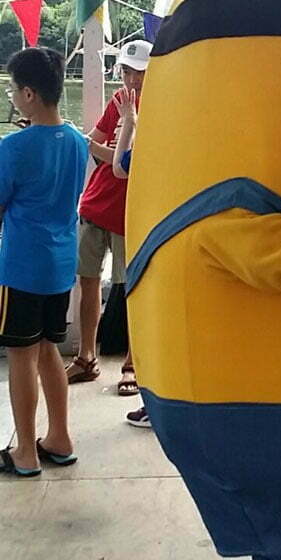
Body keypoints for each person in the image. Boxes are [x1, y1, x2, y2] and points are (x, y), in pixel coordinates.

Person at [0, 48, 86, 475]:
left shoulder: (13, 147)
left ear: (30, 94)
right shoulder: (76, 140)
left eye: (14, 91)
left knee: (21, 357)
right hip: (60, 265)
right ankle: (59, 437)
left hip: (22, 268)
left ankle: (25, 453)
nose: (13, 97)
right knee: (49, 349)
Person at [65, 39, 151, 396]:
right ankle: (87, 356)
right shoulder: (118, 101)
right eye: (127, 71)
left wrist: (109, 148)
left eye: (138, 72)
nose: (131, 80)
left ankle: (134, 363)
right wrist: (108, 148)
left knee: (131, 288)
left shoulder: (161, 106)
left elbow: (129, 164)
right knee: (87, 282)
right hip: (95, 204)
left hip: (131, 212)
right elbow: (100, 149)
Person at [109, 86, 148, 427]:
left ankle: (156, 403)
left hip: (154, 239)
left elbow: (120, 167)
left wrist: (130, 123)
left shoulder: (155, 140)